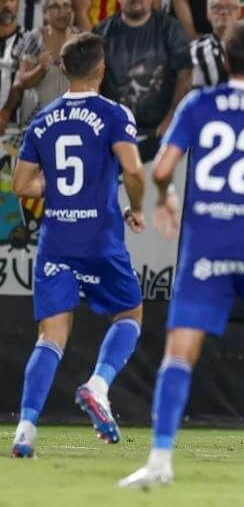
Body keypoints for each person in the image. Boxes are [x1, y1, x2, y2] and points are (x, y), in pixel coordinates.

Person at [119, 19, 244, 490]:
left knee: (180, 351)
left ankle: (159, 460)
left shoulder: (198, 104)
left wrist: (168, 198)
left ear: (227, 60)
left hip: (207, 242)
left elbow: (162, 169)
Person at [9, 33, 146, 458]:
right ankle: (98, 384)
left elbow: (21, 185)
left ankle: (26, 429)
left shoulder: (43, 118)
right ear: (102, 70)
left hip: (57, 240)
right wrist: (136, 207)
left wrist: (63, 191)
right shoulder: (113, 113)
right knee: (130, 313)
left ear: (63, 70)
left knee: (49, 337)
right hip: (100, 237)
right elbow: (133, 169)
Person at [94, 0, 190, 145]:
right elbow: (91, 79)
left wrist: (173, 118)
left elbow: (185, 75)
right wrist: (101, 119)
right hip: (113, 131)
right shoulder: (103, 31)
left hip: (160, 131)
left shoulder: (170, 29)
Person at [7, 0, 76, 127]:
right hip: (37, 119)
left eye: (66, 6)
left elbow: (91, 83)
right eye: (55, 6)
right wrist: (41, 69)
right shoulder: (34, 38)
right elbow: (21, 84)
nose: (62, 11)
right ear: (45, 13)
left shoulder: (82, 40)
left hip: (72, 118)